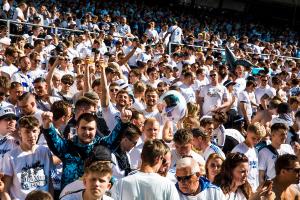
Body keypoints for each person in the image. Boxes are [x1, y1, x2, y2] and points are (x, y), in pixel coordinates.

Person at [41, 110, 131, 189]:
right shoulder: (67, 146)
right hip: (69, 195)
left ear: (96, 130)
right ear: (77, 128)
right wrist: (47, 125)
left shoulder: (101, 146)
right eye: (83, 128)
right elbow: (54, 142)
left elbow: (114, 138)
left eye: (91, 129)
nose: (87, 132)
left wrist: (123, 123)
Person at [1, 116, 54, 200]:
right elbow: (5, 189)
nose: (31, 135)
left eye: (34, 131)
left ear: (39, 131)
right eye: (27, 132)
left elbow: (50, 182)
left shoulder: (45, 152)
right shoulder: (10, 156)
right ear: (19, 133)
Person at [111, 139, 180, 200]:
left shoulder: (120, 184)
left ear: (141, 156)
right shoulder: (168, 186)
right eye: (162, 159)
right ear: (158, 159)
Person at [232, 122, 266, 191]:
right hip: (241, 190)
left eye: (258, 139)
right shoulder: (239, 150)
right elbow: (233, 172)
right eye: (253, 138)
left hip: (253, 189)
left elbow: (255, 172)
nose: (256, 141)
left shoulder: (255, 150)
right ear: (247, 133)